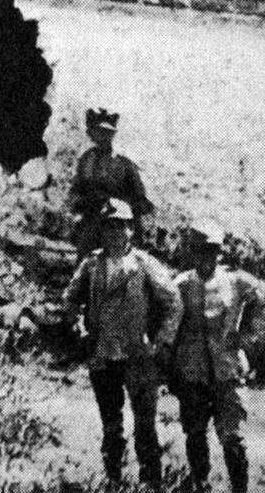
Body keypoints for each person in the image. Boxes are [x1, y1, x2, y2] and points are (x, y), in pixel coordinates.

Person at [63, 200, 181, 491]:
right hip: (103, 354)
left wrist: (160, 343)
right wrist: (78, 326)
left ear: (132, 230)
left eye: (122, 226)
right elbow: (70, 297)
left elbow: (173, 303)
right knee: (111, 424)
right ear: (102, 231)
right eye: (110, 226)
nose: (116, 233)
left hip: (137, 356)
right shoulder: (92, 264)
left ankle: (151, 482)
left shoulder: (144, 264)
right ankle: (113, 478)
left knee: (144, 425)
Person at [172, 220, 265, 493]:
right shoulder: (181, 284)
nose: (207, 257)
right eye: (201, 250)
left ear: (219, 252)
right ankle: (201, 485)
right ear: (192, 251)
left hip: (228, 371)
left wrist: (248, 333)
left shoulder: (235, 281)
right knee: (195, 433)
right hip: (193, 371)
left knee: (233, 439)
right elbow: (165, 315)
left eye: (212, 250)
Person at [67, 108, 152, 261]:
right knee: (85, 262)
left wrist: (129, 215)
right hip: (92, 219)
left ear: (113, 134)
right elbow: (76, 190)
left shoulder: (124, 163)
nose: (103, 136)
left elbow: (140, 198)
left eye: (107, 132)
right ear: (91, 133)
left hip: (117, 223)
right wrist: (78, 205)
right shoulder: (86, 159)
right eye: (98, 131)